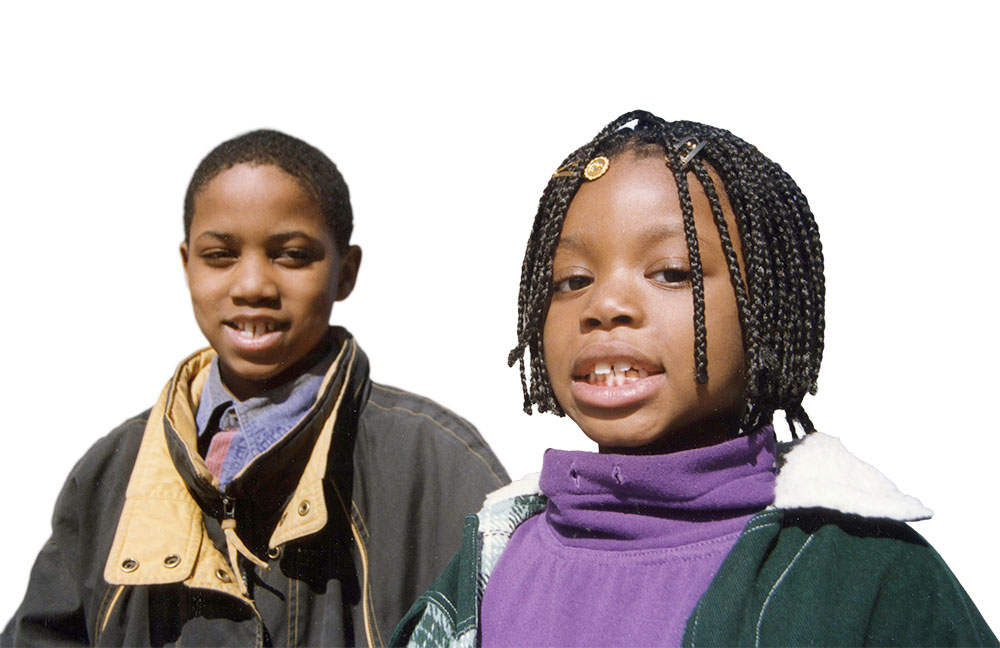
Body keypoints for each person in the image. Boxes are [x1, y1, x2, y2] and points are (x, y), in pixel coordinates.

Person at [391, 111, 997, 647]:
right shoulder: (489, 563)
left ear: (770, 306)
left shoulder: (862, 570)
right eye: (572, 280)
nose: (605, 305)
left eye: (673, 272)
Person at [3, 129, 509, 647]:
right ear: (186, 264)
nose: (252, 286)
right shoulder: (114, 473)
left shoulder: (433, 463)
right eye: (220, 255)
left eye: (291, 255)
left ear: (345, 272)